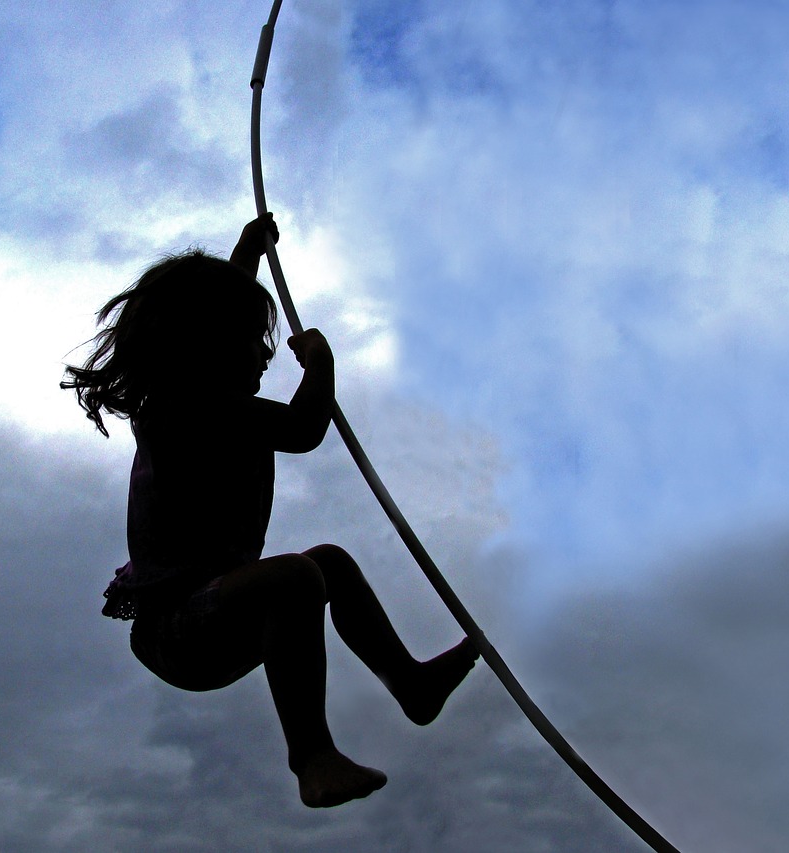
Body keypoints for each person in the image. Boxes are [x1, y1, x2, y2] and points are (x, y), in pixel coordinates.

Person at [62, 213, 478, 808]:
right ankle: (313, 757)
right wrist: (322, 365)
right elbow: (306, 428)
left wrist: (246, 252)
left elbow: (220, 311)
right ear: (205, 345)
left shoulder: (207, 394)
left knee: (327, 563)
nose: (264, 356)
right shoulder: (192, 406)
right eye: (250, 342)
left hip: (221, 611)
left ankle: (409, 683)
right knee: (294, 577)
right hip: (177, 629)